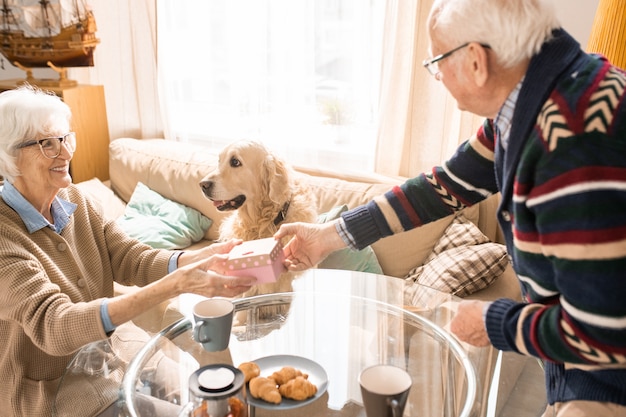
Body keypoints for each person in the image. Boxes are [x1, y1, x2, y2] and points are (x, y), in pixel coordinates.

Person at [274, 0, 626, 415]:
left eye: (437, 61)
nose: (436, 73)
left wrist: (494, 322)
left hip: (607, 379)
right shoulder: (536, 98)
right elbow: (441, 187)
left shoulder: (569, 142)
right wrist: (329, 236)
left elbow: (601, 332)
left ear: (477, 61)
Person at [0, 85, 257, 416]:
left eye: (65, 139)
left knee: (210, 399)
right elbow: (56, 326)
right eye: (47, 144)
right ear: (9, 154)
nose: (65, 154)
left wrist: (199, 259)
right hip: (56, 390)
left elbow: (128, 257)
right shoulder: (5, 236)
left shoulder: (74, 199)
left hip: (117, 349)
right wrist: (176, 283)